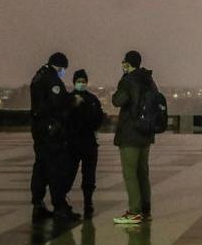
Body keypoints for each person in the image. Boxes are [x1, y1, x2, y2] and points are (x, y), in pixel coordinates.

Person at [29, 52, 82, 221]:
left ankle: (38, 204)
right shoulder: (52, 79)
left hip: (39, 129)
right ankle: (60, 206)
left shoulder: (38, 77)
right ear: (60, 67)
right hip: (51, 131)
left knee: (40, 168)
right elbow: (58, 102)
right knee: (55, 169)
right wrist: (73, 101)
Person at [112, 51, 157, 225]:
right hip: (146, 133)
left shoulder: (128, 80)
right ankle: (145, 209)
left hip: (130, 133)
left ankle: (134, 211)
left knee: (130, 173)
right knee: (143, 172)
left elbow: (118, 101)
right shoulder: (149, 80)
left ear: (127, 64)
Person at [67, 69, 105, 218]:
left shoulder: (88, 99)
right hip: (81, 142)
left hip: (82, 142)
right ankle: (83, 202)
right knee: (73, 173)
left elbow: (98, 119)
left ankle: (86, 201)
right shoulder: (90, 99)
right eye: (79, 81)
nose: (81, 84)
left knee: (86, 174)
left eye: (83, 81)